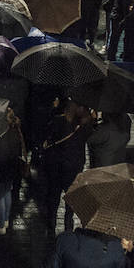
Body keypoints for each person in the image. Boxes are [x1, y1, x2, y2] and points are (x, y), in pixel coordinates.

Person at [42, 100, 93, 234]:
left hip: (56, 164)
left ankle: (51, 222)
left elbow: (48, 135)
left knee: (54, 193)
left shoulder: (58, 121)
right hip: (74, 165)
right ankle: (68, 224)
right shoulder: (85, 125)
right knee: (71, 195)